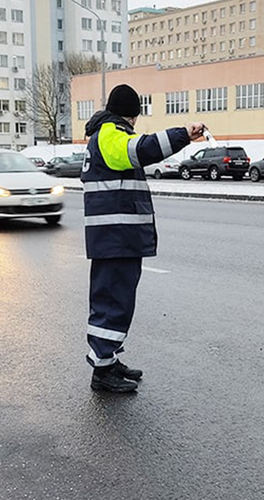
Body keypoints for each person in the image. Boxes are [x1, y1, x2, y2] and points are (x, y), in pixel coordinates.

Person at [81, 84, 205, 393]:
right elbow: (141, 150)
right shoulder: (111, 134)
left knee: (115, 300)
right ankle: (102, 371)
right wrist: (183, 135)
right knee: (112, 302)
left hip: (116, 236)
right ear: (132, 114)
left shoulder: (108, 133)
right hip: (116, 236)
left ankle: (108, 362)